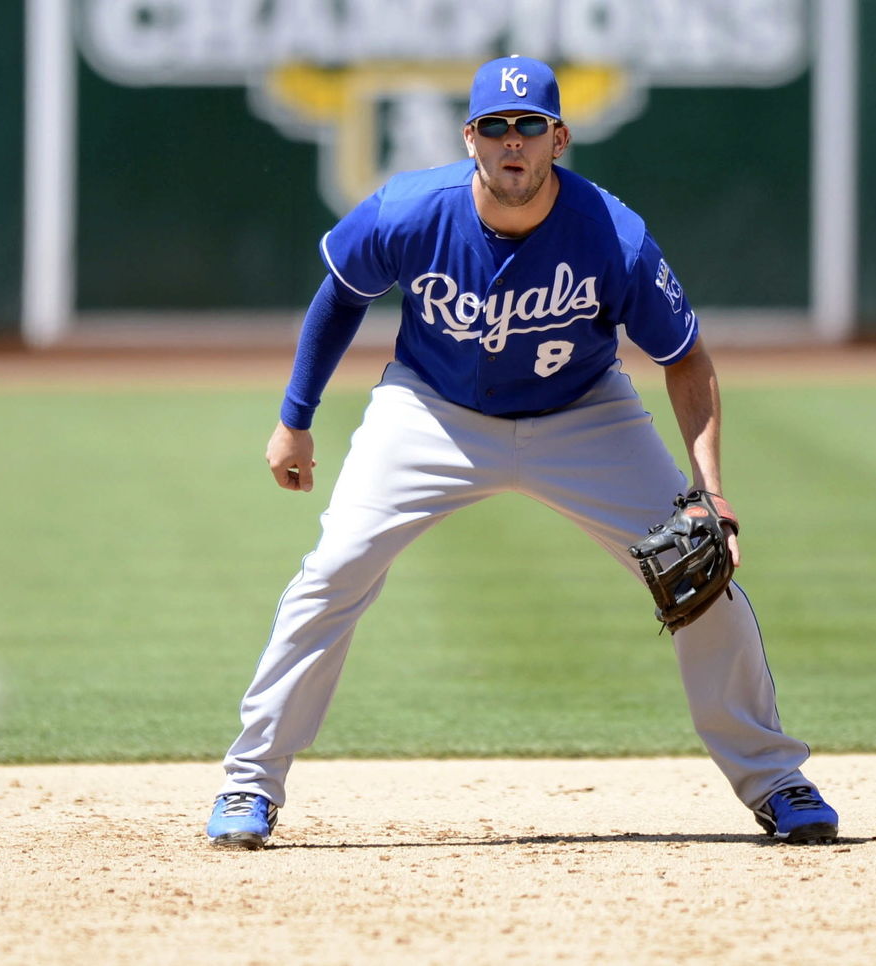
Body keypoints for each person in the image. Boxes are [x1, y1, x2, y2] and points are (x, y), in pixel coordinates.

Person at [207, 55, 838, 849]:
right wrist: (294, 418)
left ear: (559, 138)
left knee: (700, 574)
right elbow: (341, 293)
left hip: (584, 414)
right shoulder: (409, 210)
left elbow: (687, 359)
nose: (514, 142)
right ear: (470, 136)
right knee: (335, 569)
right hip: (433, 411)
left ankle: (777, 780)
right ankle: (249, 784)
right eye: (497, 127)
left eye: (530, 126)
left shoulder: (613, 233)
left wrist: (710, 491)